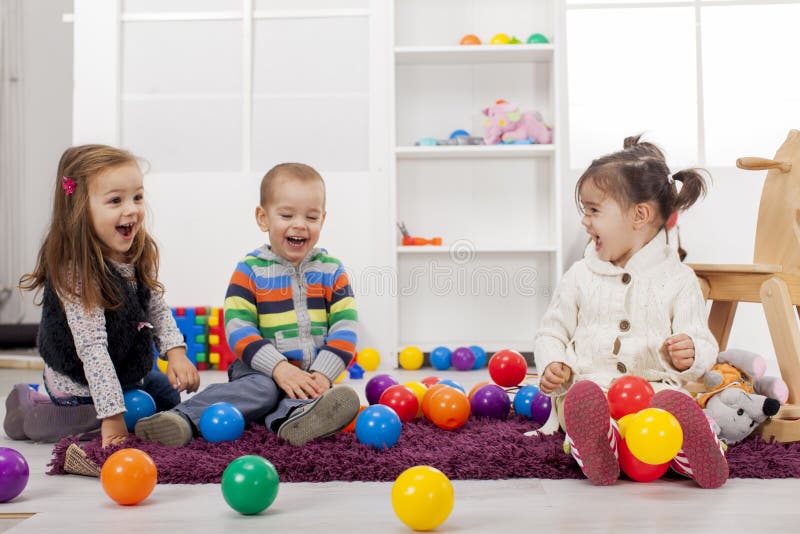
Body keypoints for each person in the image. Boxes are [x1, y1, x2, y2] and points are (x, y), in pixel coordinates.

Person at [533, 135, 728, 488]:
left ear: (639, 215)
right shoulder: (580, 275)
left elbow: (702, 339)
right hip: (591, 388)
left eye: (593, 210)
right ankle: (598, 444)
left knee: (669, 414)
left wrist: (691, 353)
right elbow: (552, 331)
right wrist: (553, 364)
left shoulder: (680, 280)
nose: (584, 221)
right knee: (580, 407)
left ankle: (693, 453)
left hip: (655, 392)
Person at [134, 162, 360, 447]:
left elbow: (345, 327)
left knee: (307, 393)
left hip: (310, 371)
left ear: (323, 220)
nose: (300, 224)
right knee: (264, 391)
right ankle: (182, 418)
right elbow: (238, 328)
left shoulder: (332, 270)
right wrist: (278, 367)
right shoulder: (250, 270)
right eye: (287, 214)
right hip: (257, 369)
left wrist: (322, 374)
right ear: (263, 218)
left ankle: (294, 419)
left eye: (311, 217)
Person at [3, 145, 200, 448]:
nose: (132, 209)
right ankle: (29, 409)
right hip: (78, 383)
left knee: (167, 396)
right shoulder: (77, 273)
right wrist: (110, 414)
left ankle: (126, 408)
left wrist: (175, 351)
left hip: (123, 372)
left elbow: (156, 306)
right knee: (95, 425)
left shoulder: (135, 251)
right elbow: (92, 349)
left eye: (137, 197)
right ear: (80, 209)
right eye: (115, 200)